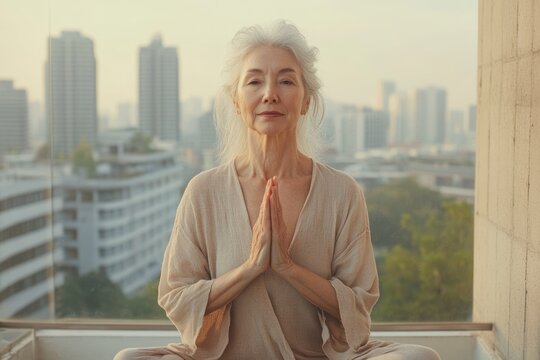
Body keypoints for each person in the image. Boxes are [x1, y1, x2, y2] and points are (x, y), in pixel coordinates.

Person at [114, 21, 441, 360]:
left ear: (305, 101)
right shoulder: (204, 191)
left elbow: (357, 305)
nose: (270, 93)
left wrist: (287, 267)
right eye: (254, 81)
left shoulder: (342, 192)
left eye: (286, 81)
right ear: (236, 101)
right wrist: (251, 267)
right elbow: (177, 296)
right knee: (129, 358)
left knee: (418, 357)